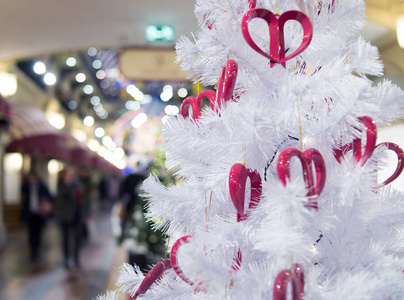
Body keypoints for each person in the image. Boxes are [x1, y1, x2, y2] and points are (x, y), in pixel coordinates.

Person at [55, 167, 84, 269]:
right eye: (67, 174)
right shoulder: (61, 185)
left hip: (76, 215)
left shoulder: (77, 184)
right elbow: (63, 195)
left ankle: (76, 258)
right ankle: (66, 258)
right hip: (65, 216)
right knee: (65, 238)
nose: (69, 176)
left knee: (77, 238)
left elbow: (81, 199)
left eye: (71, 174)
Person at [21, 171, 53, 262]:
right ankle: (33, 251)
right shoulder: (27, 186)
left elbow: (48, 196)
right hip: (30, 213)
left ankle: (38, 250)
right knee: (31, 233)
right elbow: (22, 190)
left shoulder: (41, 186)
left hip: (39, 213)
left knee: (38, 232)